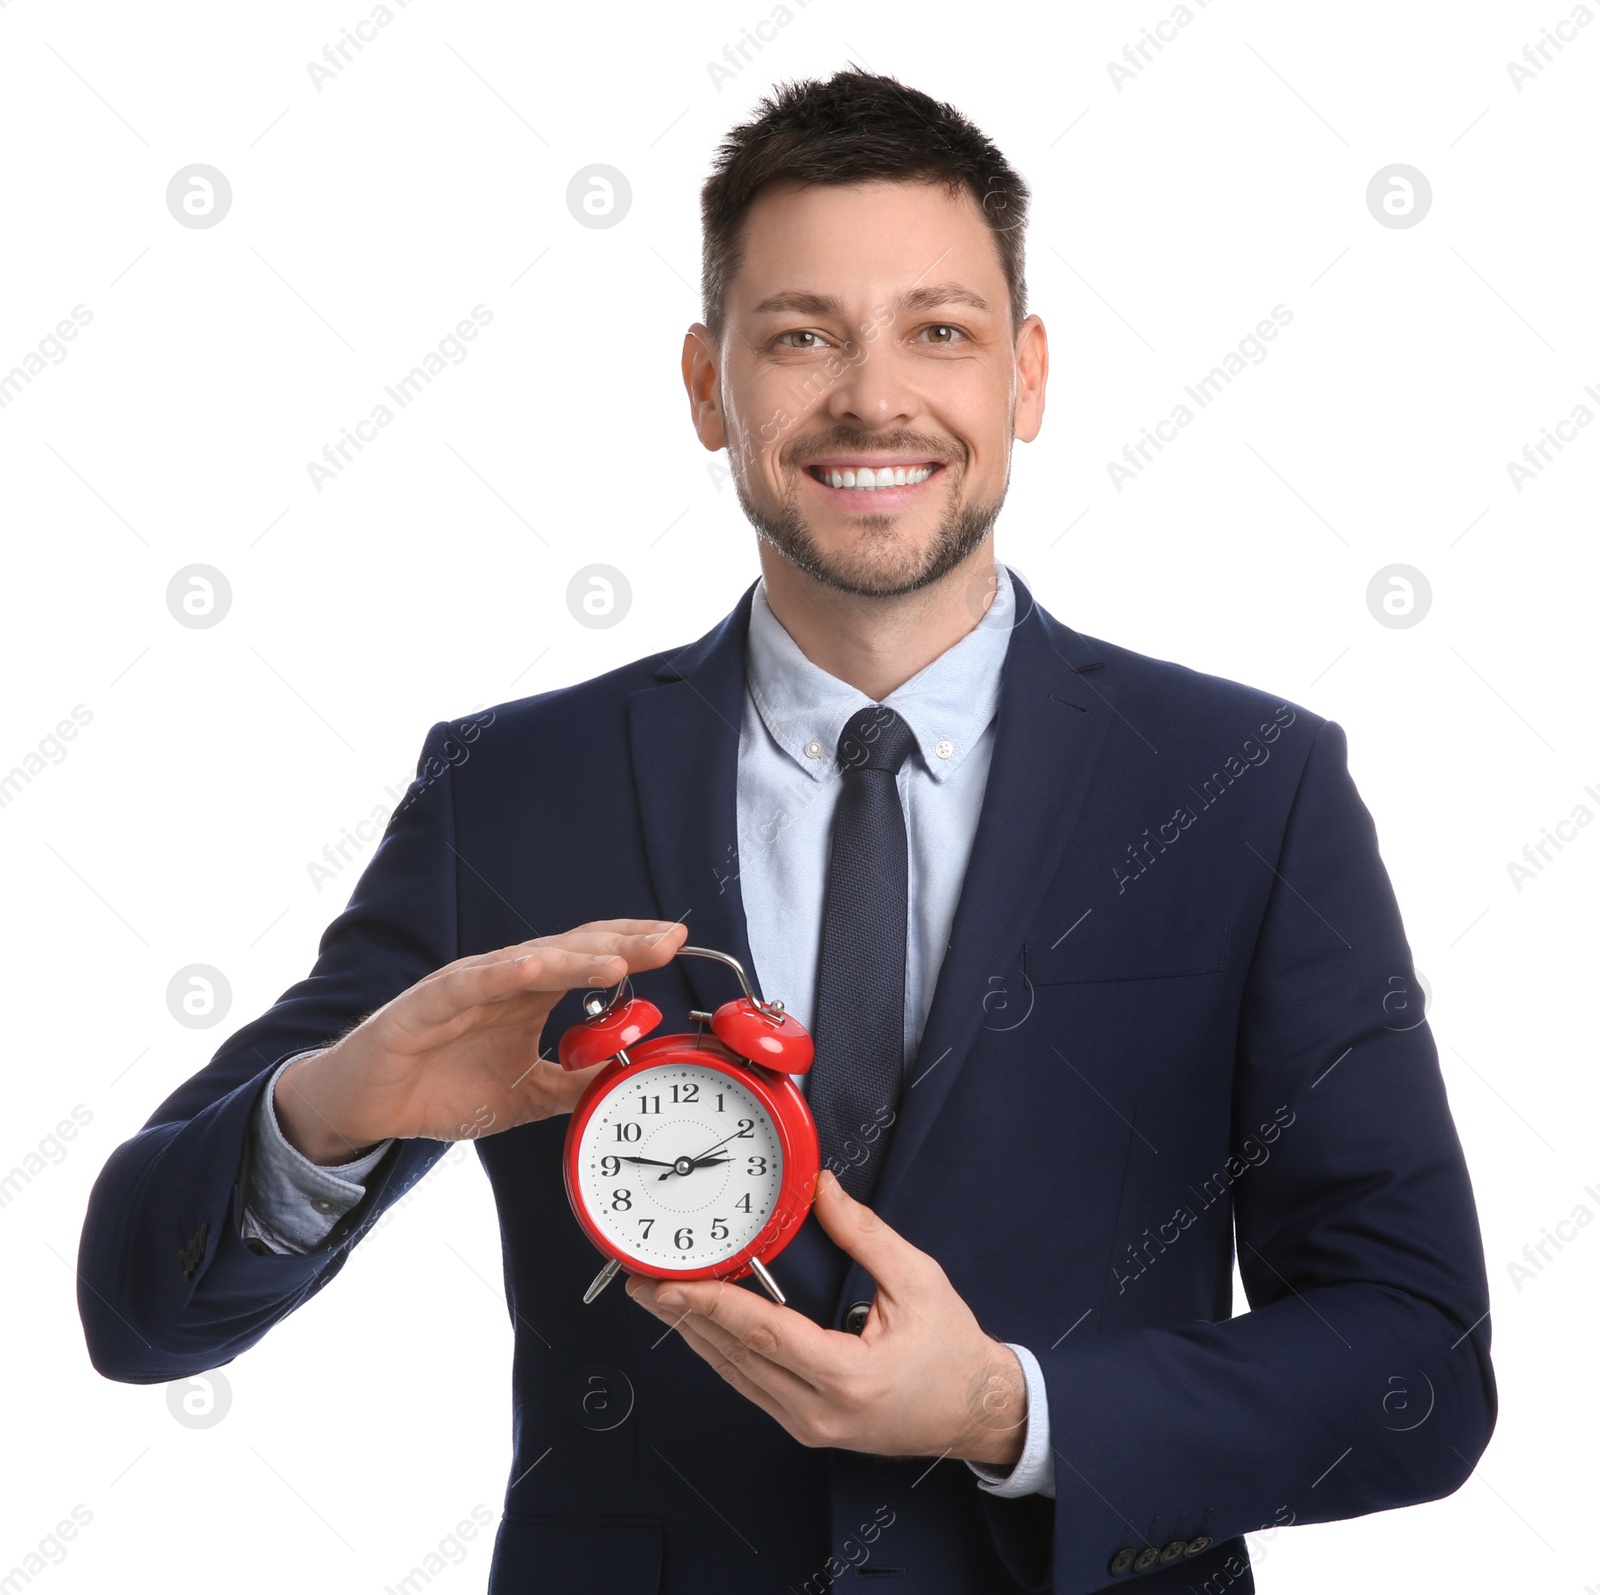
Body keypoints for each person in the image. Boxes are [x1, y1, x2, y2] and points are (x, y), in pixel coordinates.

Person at [78, 69, 1495, 1595]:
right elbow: (138, 1311)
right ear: (708, 385)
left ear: (1025, 377)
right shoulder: (513, 788)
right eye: (802, 335)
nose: (874, 397)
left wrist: (1010, 1411)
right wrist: (335, 1109)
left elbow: (1417, 1362)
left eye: (938, 331)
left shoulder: (1244, 784)